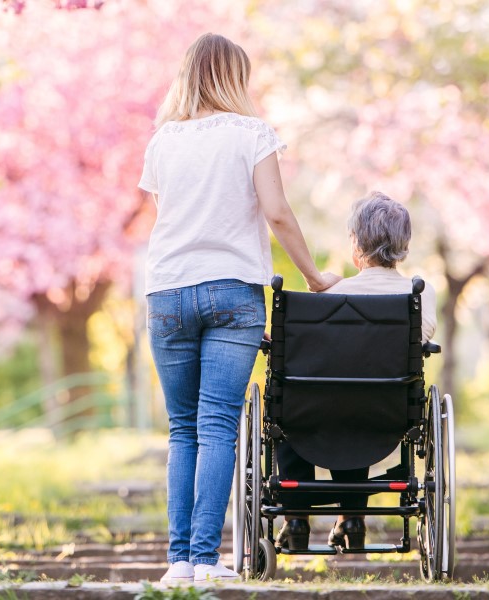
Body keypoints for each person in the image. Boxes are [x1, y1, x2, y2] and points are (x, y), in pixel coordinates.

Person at [138, 32, 340, 584]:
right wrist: (314, 275)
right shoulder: (253, 133)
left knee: (182, 430)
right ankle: (206, 559)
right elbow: (276, 212)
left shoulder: (162, 142)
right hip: (232, 292)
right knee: (217, 426)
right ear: (234, 77)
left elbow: (169, 217)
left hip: (168, 291)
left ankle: (178, 562)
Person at [275, 190, 437, 552]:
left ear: (356, 243)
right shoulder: (421, 296)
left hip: (317, 414)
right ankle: (352, 517)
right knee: (357, 401)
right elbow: (423, 336)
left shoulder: (329, 296)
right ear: (404, 243)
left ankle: (296, 518)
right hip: (387, 413)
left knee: (299, 400)